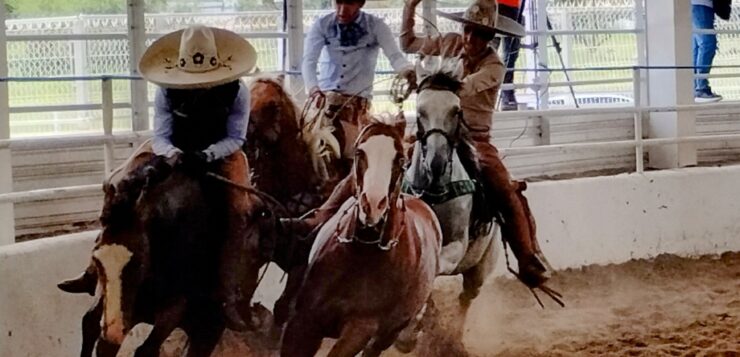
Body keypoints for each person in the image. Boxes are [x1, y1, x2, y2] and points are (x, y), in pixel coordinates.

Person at [286, 0, 551, 289]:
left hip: (475, 138)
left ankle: (527, 255)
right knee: (381, 163)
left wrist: (426, 81)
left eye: (479, 34)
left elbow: (463, 87)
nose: (470, 39)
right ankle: (322, 216)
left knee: (504, 186)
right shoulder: (449, 42)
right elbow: (410, 43)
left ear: (490, 39)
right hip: (433, 131)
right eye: (468, 30)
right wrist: (410, 7)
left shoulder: (494, 65)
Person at [58, 25, 258, 330]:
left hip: (221, 154)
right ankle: (92, 270)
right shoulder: (166, 89)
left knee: (239, 211)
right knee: (119, 185)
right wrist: (174, 155)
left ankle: (227, 293)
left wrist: (207, 155)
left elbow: (236, 137)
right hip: (172, 149)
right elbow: (161, 134)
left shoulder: (238, 90)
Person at [302, 0, 416, 161]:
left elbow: (395, 56)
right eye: (338, 2)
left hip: (356, 107)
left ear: (360, 4)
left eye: (349, 3)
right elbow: (309, 61)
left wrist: (407, 71)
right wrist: (314, 89)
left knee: (356, 154)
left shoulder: (376, 26)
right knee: (307, 148)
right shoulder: (321, 25)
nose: (342, 10)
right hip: (324, 104)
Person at [692, 0, 730, 103]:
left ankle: (696, 86)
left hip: (696, 5)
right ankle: (701, 87)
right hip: (701, 4)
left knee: (697, 45)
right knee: (707, 43)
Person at [497, 0, 524, 111]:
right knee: (487, 51)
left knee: (511, 54)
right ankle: (485, 89)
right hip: (491, 6)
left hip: (512, 7)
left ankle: (507, 91)